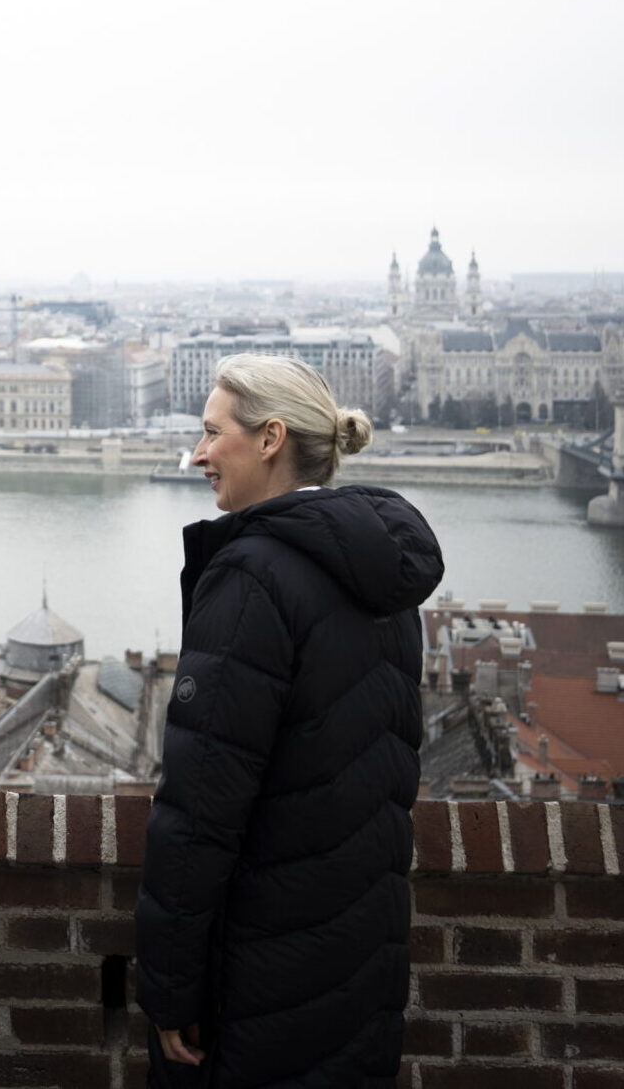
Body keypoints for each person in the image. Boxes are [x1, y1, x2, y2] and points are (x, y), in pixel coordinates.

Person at [135, 354, 446, 1087]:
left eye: (213, 433)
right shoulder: (383, 575)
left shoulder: (252, 578)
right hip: (359, 956)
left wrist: (170, 987)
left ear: (270, 437)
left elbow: (200, 808)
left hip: (259, 977)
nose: (199, 453)